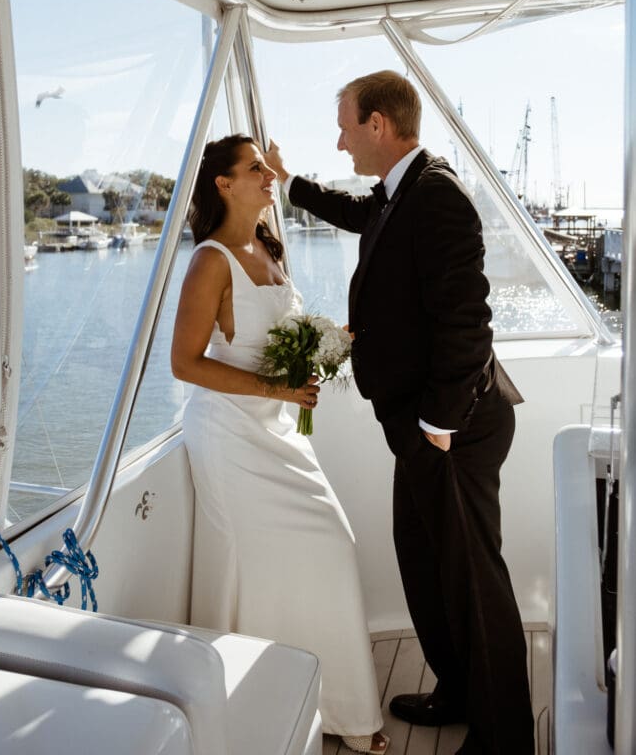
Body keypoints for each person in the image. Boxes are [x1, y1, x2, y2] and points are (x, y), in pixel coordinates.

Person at [265, 71, 535, 755]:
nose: (341, 140)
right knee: (424, 562)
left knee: (474, 582)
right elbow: (361, 214)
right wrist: (290, 184)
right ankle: (458, 689)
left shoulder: (437, 195)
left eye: (347, 127)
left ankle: (503, 735)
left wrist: (438, 424)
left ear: (380, 125)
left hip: (453, 427)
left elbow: (467, 325)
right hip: (421, 427)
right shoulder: (399, 194)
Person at [171, 134, 389, 755]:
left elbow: (280, 334)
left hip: (279, 428)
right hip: (230, 436)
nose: (271, 177)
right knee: (284, 557)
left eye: (267, 168)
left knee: (327, 547)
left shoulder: (267, 246)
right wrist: (279, 386)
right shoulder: (210, 260)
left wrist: (323, 349)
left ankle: (330, 706)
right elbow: (184, 363)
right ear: (224, 185)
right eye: (256, 169)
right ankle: (251, 710)